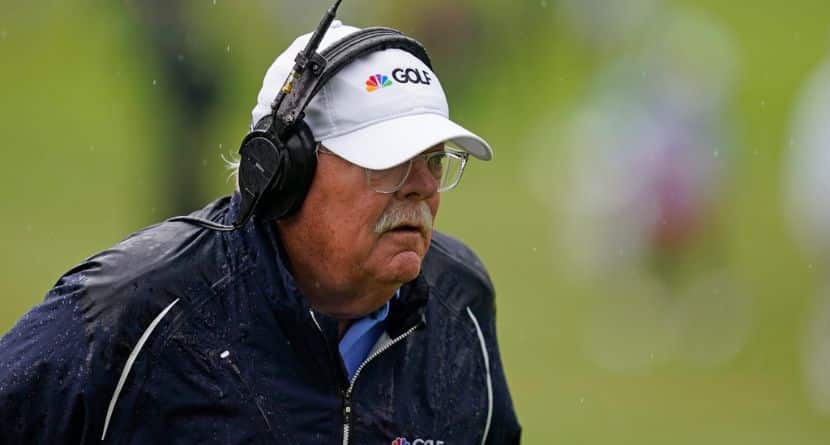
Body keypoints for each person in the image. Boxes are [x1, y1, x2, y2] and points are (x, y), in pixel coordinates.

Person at [0, 20, 521, 444]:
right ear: (281, 172)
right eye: (389, 163)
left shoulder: (462, 303)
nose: (424, 187)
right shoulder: (130, 310)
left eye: (433, 159)